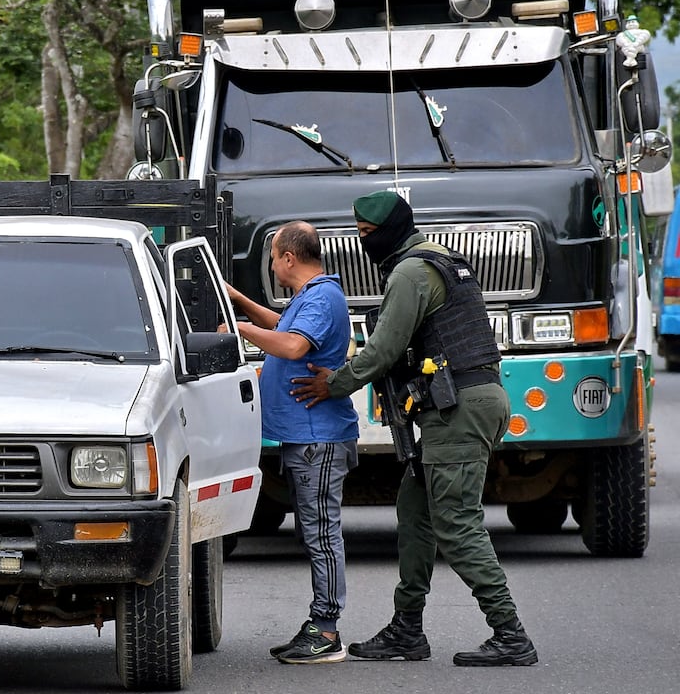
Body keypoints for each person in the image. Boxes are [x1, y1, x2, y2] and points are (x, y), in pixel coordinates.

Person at [290, 190, 538, 667]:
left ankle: (510, 633)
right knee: (416, 512)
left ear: (389, 232)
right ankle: (407, 629)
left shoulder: (410, 272)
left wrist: (334, 384)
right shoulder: (444, 259)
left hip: (459, 408)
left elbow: (384, 349)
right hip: (465, 402)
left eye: (367, 235)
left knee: (456, 524)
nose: (365, 243)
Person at [226, 221, 358, 664]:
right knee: (317, 532)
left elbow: (293, 345)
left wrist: (240, 331)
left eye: (272, 257)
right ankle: (321, 624)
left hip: (317, 438)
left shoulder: (322, 296)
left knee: (321, 534)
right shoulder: (310, 296)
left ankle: (326, 631)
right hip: (305, 436)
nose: (272, 264)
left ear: (288, 258)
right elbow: (282, 325)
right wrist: (240, 304)